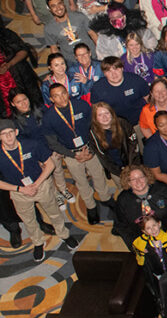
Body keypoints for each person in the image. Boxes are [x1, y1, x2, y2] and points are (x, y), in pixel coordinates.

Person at [0, 119, 74, 260]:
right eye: (4, 134)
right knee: (29, 221)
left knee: (54, 212)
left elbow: (50, 164)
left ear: (16, 132)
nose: (8, 137)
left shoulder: (31, 144)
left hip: (41, 186)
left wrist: (36, 184)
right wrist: (20, 189)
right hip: (19, 193)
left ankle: (64, 234)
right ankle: (38, 242)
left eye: (11, 132)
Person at [41, 84, 115, 225]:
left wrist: (92, 150)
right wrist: (72, 155)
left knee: (98, 174)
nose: (61, 98)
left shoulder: (81, 105)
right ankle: (90, 206)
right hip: (71, 154)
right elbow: (53, 143)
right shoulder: (49, 117)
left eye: (63, 93)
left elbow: (95, 127)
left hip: (89, 148)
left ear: (68, 93)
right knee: (81, 181)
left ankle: (105, 197)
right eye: (56, 96)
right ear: (51, 99)